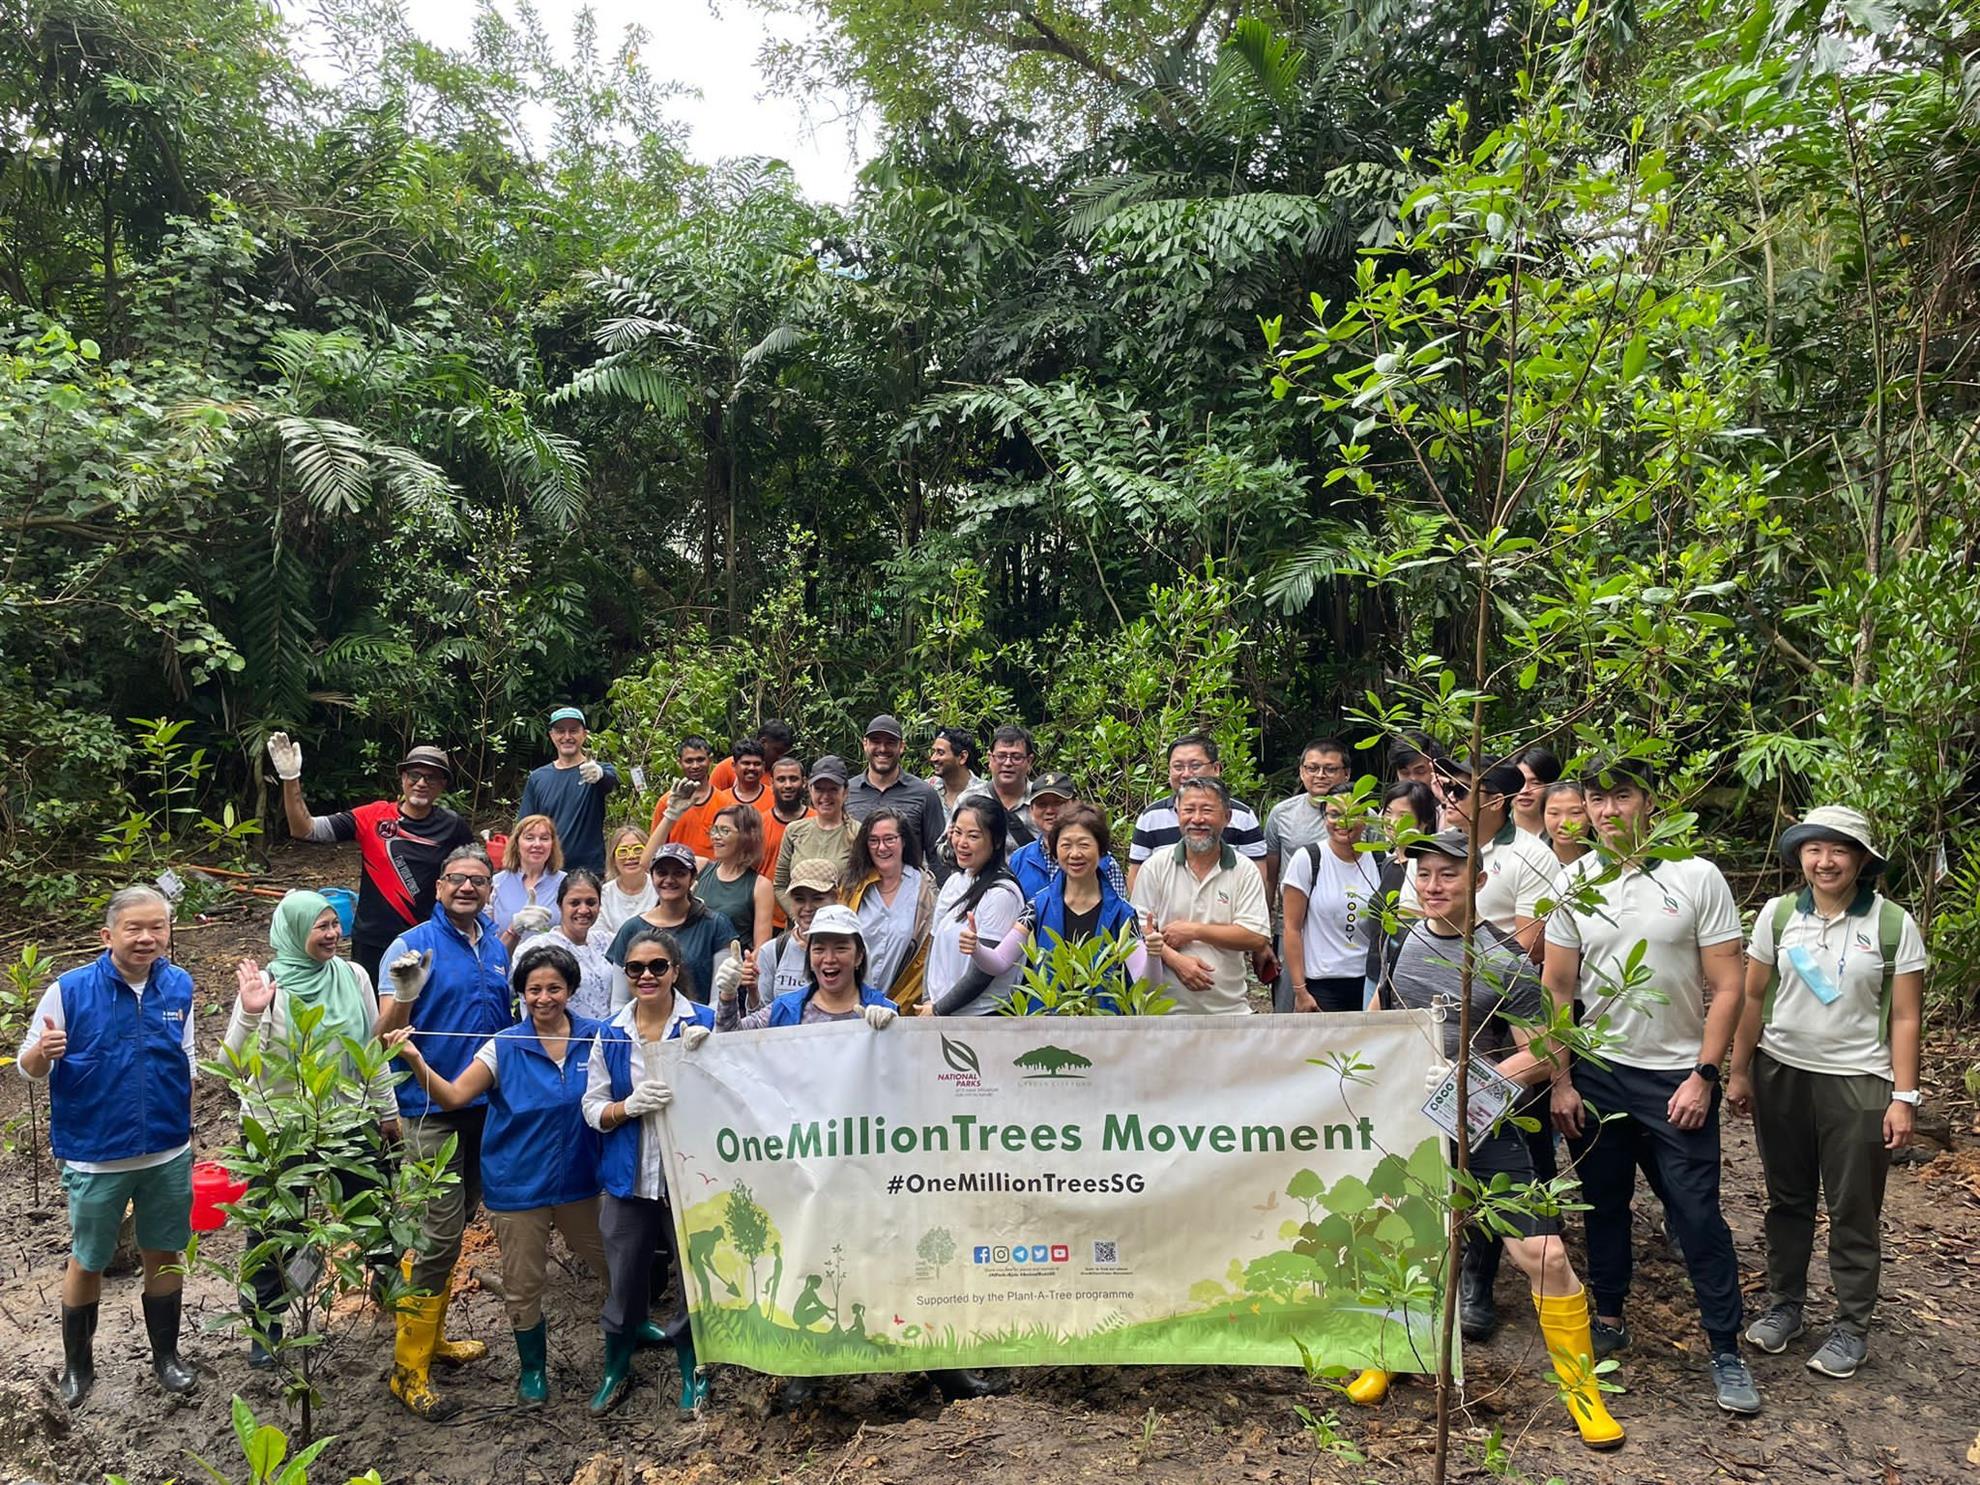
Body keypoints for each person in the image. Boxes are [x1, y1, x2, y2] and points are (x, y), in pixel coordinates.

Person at [1342, 832, 1624, 1451]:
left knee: (1545, 1255)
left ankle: (1583, 1393)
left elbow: (1545, 1049)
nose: (1434, 885)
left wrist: (1479, 1085)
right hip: (1405, 1123)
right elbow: (1381, 1016)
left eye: (1448, 874)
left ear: (1477, 879)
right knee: (1399, 1241)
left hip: (1482, 1126)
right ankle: (1384, 1355)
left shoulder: (1503, 957)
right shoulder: (1395, 939)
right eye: (1424, 874)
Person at [1542, 759, 1759, 1416]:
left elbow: (1729, 984)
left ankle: (1725, 1344)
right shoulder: (1576, 881)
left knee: (1695, 1213)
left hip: (1676, 1075)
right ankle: (1608, 1313)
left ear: (1651, 802)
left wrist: (1706, 1073)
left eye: (1622, 796)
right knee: (1603, 1204)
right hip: (1599, 1072)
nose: (1607, 811)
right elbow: (1556, 987)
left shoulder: (1695, 876)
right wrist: (1560, 1080)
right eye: (1597, 800)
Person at [1727, 806, 1926, 1380]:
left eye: (1839, 849)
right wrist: (1740, 1071)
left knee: (1853, 1208)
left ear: (1862, 860)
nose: (1826, 860)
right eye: (1814, 849)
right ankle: (1785, 1305)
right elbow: (1755, 997)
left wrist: (1903, 1097)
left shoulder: (1892, 925)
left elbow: (1907, 1018)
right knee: (1787, 1200)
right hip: (1782, 1072)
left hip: (1859, 1082)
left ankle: (1850, 1326)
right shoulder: (1779, 914)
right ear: (1800, 858)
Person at [383, 942, 609, 1409]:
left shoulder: (599, 1037)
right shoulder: (503, 1045)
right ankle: (532, 1371)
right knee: (523, 1284)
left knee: (614, 1262)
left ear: (570, 990)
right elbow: (453, 1098)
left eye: (554, 988)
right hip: (518, 1186)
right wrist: (414, 1059)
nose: (544, 998)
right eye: (533, 990)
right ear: (521, 995)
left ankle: (623, 1345)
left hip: (582, 1183)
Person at [17, 886, 198, 1405]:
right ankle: (78, 1366)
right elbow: (31, 1069)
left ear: (168, 931)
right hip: (96, 1154)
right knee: (89, 1258)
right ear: (108, 935)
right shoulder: (69, 990)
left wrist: (181, 1123)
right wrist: (41, 1055)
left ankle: (167, 1356)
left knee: (164, 1254)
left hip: (166, 1150)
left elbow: (185, 1056)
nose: (146, 938)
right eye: (134, 928)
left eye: (157, 927)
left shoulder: (178, 985)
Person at [227, 891, 400, 1368]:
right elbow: (230, 1066)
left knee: (373, 1205)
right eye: (319, 927)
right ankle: (267, 1327)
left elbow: (370, 1046)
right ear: (292, 931)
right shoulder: (267, 986)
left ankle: (388, 1290)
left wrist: (386, 1111)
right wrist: (250, 1012)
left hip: (348, 1118)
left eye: (334, 924)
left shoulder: (353, 975)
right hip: (281, 1128)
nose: (331, 934)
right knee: (277, 1228)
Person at [372, 844, 513, 1418]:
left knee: (454, 1228)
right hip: (428, 1111)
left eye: (479, 881)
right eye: (457, 879)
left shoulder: (496, 948)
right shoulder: (411, 946)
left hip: (483, 1109)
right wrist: (405, 996)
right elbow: (380, 1035)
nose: (467, 888)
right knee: (433, 1234)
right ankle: (408, 1368)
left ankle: (432, 1339)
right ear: (438, 887)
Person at [582, 928, 714, 1416]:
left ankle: (693, 1368)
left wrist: (712, 1055)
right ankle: (617, 1365)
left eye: (657, 966)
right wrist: (627, 1107)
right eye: (635, 968)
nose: (646, 976)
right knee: (624, 1276)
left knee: (695, 1278)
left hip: (691, 1179)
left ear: (675, 970)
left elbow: (736, 1097)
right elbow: (592, 1108)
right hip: (628, 1178)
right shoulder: (610, 1031)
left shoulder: (703, 1023)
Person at [265, 735, 474, 983]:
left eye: (431, 778)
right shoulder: (372, 817)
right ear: (403, 778)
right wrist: (290, 779)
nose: (421, 783)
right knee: (373, 1012)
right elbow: (305, 829)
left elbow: (473, 872)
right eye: (414, 775)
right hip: (372, 941)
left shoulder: (452, 826)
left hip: (426, 936)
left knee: (421, 1011)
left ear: (442, 784)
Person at [1130, 777, 1272, 1015]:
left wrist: (1194, 931)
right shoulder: (1155, 867)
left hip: (1229, 1012)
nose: (1197, 819)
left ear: (1226, 817)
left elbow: (1256, 936)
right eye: (1188, 810)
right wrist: (1176, 960)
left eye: (1207, 810)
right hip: (1163, 1013)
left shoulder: (1244, 869)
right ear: (1178, 814)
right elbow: (1138, 930)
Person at [1262, 740, 1357, 1012]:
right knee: (1289, 1009)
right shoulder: (1282, 815)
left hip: (1344, 929)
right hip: (1293, 927)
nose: (1320, 776)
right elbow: (1271, 876)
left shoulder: (1364, 817)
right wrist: (1264, 934)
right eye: (1312, 768)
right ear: (1302, 771)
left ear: (1346, 774)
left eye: (1330, 769)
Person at [920, 795, 1029, 1016]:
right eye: (957, 832)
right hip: (941, 1014)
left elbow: (983, 974)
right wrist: (927, 999)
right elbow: (934, 944)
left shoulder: (1001, 895)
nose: (961, 843)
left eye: (973, 836)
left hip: (981, 1020)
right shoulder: (954, 882)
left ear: (997, 841)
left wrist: (938, 1009)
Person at [1124, 734, 1268, 892]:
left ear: (1216, 769)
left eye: (1194, 766)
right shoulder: (1150, 818)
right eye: (1178, 767)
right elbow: (1137, 879)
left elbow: (1258, 881)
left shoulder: (1242, 817)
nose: (1186, 774)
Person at [1281, 797, 1383, 1012]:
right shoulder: (1308, 859)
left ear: (1365, 818)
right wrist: (1300, 991)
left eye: (1352, 814)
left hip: (1370, 981)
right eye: (1334, 814)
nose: (1343, 822)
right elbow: (1292, 928)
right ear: (1324, 818)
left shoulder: (1381, 859)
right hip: (1321, 983)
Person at [606, 843, 728, 1005]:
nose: (669, 880)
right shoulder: (631, 929)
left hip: (700, 1024)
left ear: (692, 878)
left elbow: (719, 999)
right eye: (662, 873)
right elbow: (619, 1002)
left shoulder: (715, 925)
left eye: (679, 873)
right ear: (652, 876)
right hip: (641, 1025)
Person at [844, 808, 936, 1007]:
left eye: (889, 839)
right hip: (854, 1006)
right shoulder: (852, 889)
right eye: (874, 840)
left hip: (904, 1007)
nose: (881, 847)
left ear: (903, 840)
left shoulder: (924, 889)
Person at [515, 707, 618, 872]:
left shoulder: (596, 771)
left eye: (574, 731)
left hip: (589, 871)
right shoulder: (538, 778)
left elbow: (611, 782)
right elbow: (524, 827)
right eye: (561, 731)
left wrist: (599, 774)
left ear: (584, 734)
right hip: (548, 870)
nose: (567, 737)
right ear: (552, 736)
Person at [1007, 773, 1130, 902]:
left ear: (1075, 804)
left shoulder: (1104, 861)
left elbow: (1118, 914)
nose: (1049, 811)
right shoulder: (1019, 860)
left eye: (1058, 803)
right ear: (1031, 810)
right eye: (1042, 804)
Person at [846, 715, 946, 867]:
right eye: (876, 741)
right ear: (865, 744)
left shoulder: (924, 794)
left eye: (890, 742)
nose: (882, 749)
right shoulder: (846, 793)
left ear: (902, 746)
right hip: (856, 887)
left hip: (908, 887)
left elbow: (937, 855)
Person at [744, 859, 844, 1010]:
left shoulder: (852, 949)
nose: (808, 907)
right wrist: (752, 991)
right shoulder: (773, 951)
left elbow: (863, 1008)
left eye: (817, 898)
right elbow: (759, 1021)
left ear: (836, 897)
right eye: (799, 899)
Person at [518, 869, 615, 1020]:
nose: (583, 910)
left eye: (591, 902)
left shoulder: (607, 942)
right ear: (560, 905)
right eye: (575, 903)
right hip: (559, 1038)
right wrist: (513, 930)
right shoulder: (539, 946)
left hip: (604, 1039)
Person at [773, 755, 858, 914]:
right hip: (799, 928)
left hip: (839, 927)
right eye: (819, 789)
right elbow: (780, 885)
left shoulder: (857, 833)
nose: (825, 796)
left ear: (845, 792)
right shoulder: (794, 831)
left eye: (833, 789)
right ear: (810, 790)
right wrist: (798, 917)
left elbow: (861, 888)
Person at [696, 804, 774, 948]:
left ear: (746, 836)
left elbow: (762, 948)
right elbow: (649, 864)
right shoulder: (700, 867)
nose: (715, 837)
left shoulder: (760, 886)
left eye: (724, 831)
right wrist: (671, 816)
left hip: (733, 965)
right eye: (714, 830)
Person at [646, 735, 731, 861]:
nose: (695, 766)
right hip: (677, 874)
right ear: (679, 762)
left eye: (700, 759)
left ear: (710, 760)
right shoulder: (667, 802)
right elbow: (655, 848)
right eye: (689, 761)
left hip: (714, 875)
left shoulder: (725, 803)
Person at [492, 814, 566, 946]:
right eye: (529, 838)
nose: (537, 844)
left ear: (552, 844)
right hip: (506, 963)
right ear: (516, 843)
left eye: (544, 838)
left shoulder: (566, 883)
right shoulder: (496, 883)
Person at [983, 724, 1038, 850]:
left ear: (1029, 761)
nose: (1008, 763)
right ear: (990, 759)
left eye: (1016, 757)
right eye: (1001, 756)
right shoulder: (970, 799)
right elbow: (942, 852)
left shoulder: (1043, 801)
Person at [761, 755, 812, 889]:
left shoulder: (818, 821)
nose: (788, 785)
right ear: (772, 783)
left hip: (810, 905)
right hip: (767, 905)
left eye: (793, 779)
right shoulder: (759, 824)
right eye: (781, 780)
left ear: (804, 782)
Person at [598, 826, 657, 936]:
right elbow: (598, 936)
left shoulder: (660, 888)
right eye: (623, 851)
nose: (631, 856)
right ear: (613, 858)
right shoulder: (603, 894)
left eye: (638, 849)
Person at [710, 719, 794, 794]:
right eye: (777, 751)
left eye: (783, 754)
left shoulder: (781, 773)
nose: (780, 757)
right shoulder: (727, 768)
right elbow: (712, 802)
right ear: (763, 742)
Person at [927, 726, 984, 826]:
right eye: (933, 752)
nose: (933, 758)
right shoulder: (926, 789)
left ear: (962, 757)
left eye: (940, 753)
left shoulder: (983, 794)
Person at [1512, 745, 1562, 840]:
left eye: (1535, 783)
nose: (1525, 791)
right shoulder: (1492, 830)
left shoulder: (1564, 834)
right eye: (1519, 782)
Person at [1543, 781, 1593, 866]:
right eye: (1554, 813)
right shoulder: (1533, 860)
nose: (1564, 823)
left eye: (1575, 813)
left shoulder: (1606, 859)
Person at [725, 739, 772, 816]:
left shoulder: (775, 798)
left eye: (757, 764)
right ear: (734, 766)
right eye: (746, 763)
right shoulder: (721, 799)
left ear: (763, 766)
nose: (751, 768)